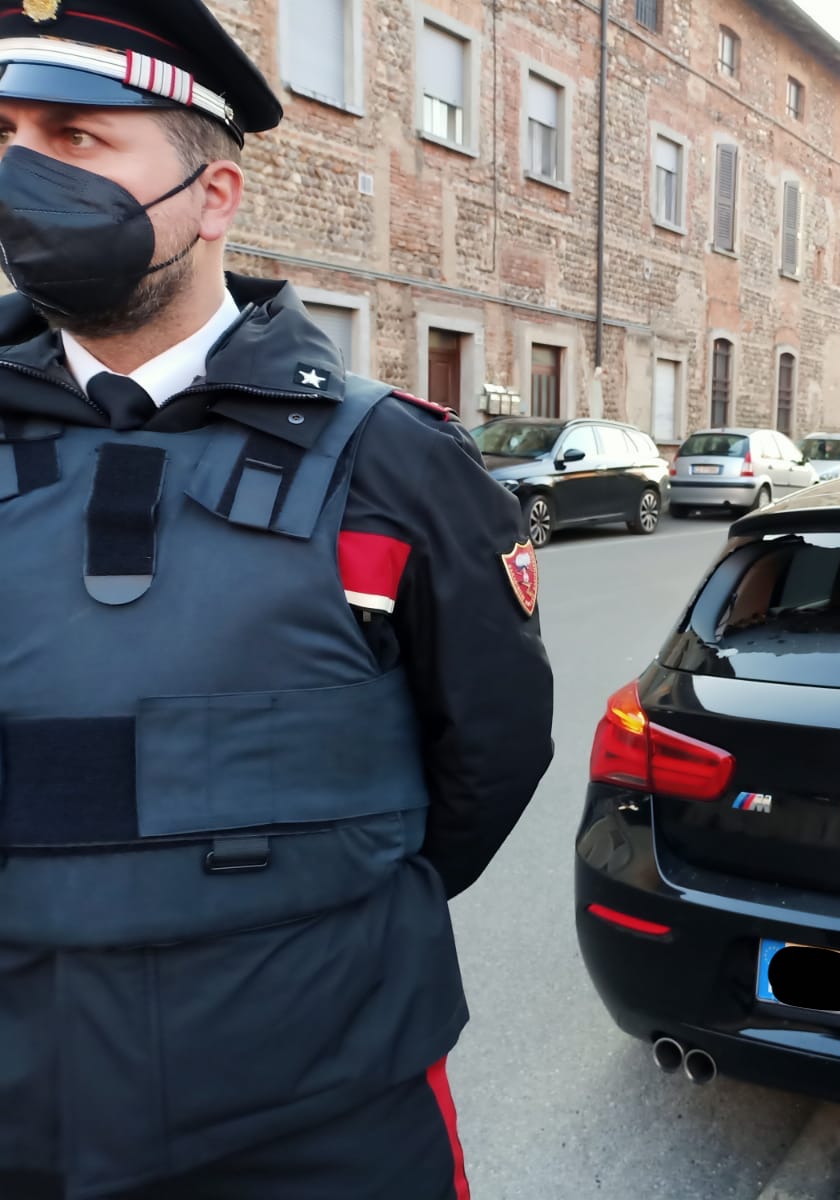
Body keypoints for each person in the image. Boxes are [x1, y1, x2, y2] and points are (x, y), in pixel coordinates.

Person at [0, 3, 555, 1197]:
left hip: (322, 1102)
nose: (23, 175)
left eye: (77, 138)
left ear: (215, 197)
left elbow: (491, 753)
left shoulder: (399, 465)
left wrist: (313, 900)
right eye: (4, 136)